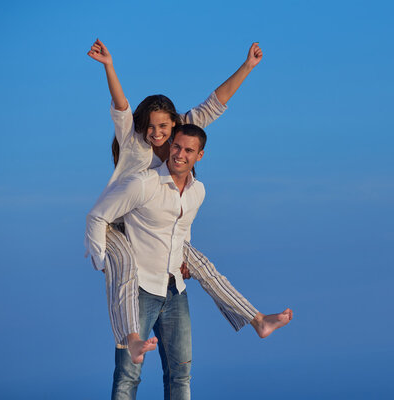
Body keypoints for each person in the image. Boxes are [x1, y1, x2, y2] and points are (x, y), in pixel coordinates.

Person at [84, 39, 292, 397]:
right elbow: (121, 107)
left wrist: (247, 67)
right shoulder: (136, 145)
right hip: (118, 227)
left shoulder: (187, 150)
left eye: (165, 127)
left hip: (165, 254)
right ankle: (132, 339)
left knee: (205, 269)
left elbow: (216, 103)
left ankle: (256, 319)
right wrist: (109, 66)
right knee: (121, 272)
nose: (159, 135)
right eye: (152, 127)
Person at [87, 124, 209, 400]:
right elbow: (97, 216)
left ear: (199, 155)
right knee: (128, 376)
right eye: (176, 146)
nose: (179, 154)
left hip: (175, 290)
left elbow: (182, 228)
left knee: (181, 375)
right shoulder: (144, 183)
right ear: (169, 145)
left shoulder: (198, 191)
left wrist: (184, 258)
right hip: (139, 289)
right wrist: (101, 260)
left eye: (188, 150)